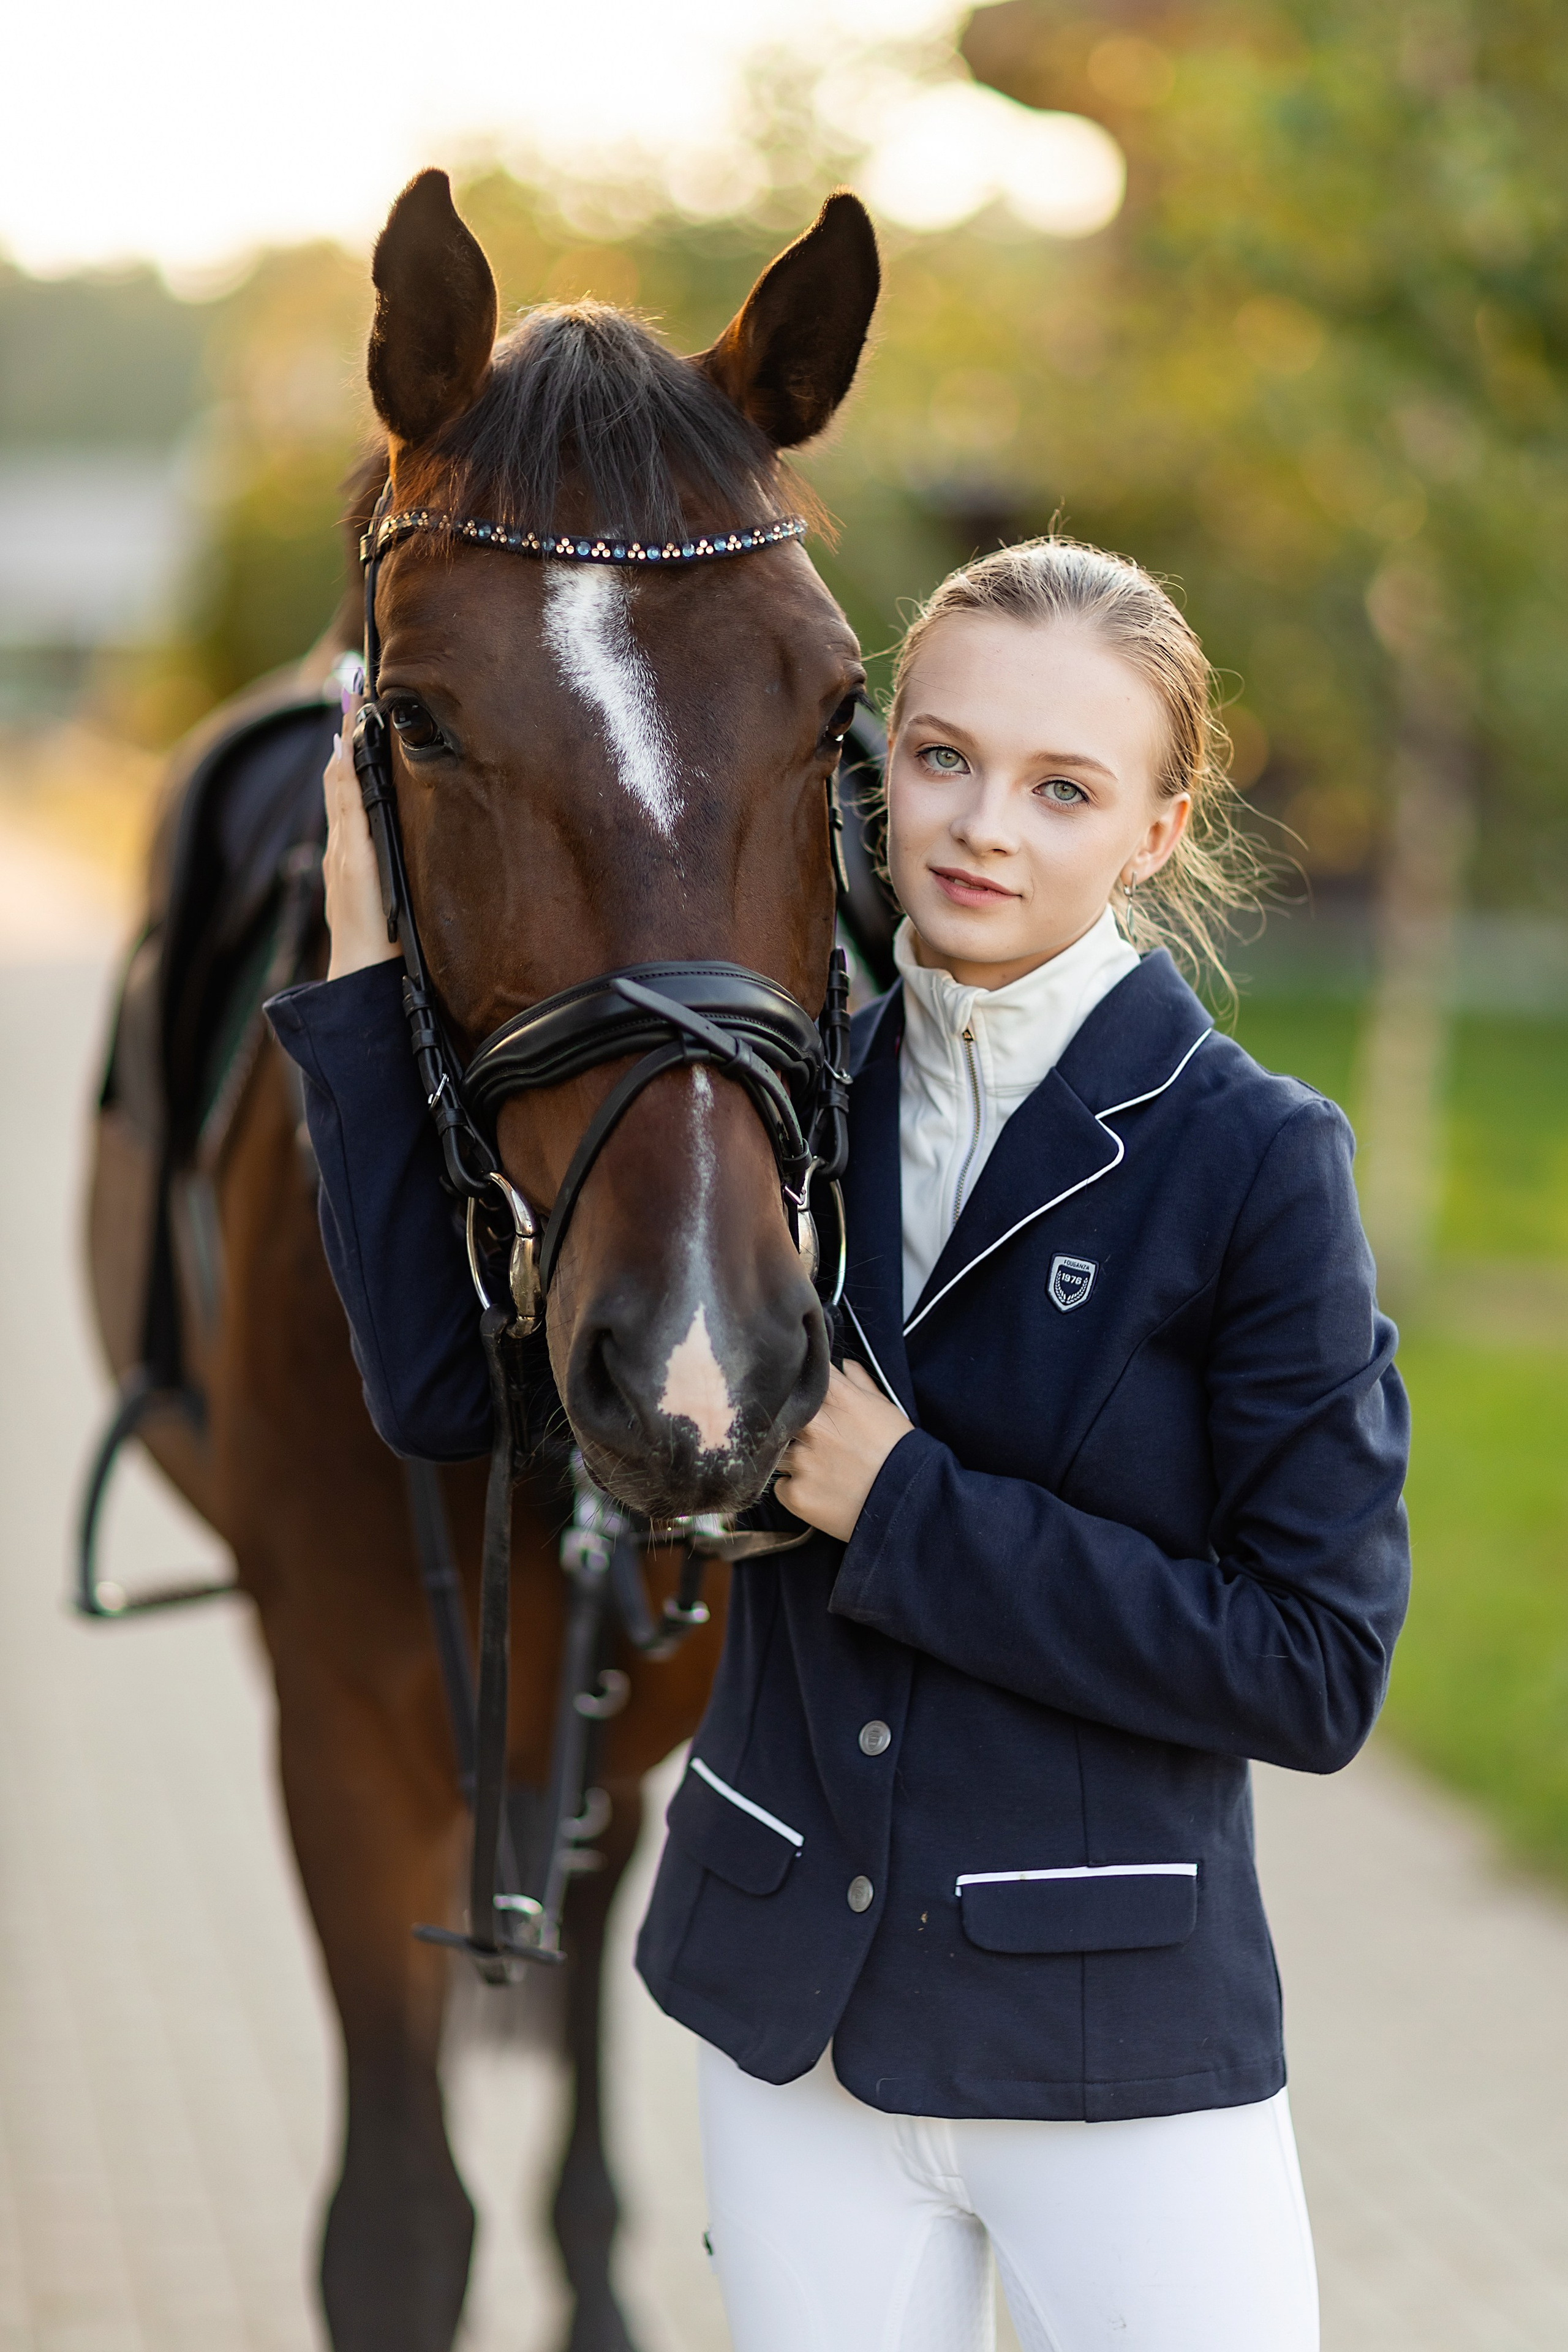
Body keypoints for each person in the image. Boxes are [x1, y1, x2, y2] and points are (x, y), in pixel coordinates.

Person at [268, 537, 1409, 2351]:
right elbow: (448, 1405)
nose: (983, 828)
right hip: (787, 2039)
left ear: (1159, 831)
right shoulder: (783, 1108)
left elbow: (1315, 1666)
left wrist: (901, 1507)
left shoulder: (1255, 1160)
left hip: (1115, 2054)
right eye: (942, 758)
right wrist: (358, 974)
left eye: (1063, 789)